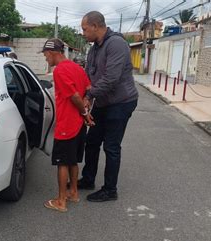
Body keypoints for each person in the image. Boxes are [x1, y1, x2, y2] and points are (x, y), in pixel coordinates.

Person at [78, 11, 138, 202]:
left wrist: (90, 94)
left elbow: (111, 78)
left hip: (121, 102)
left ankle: (110, 190)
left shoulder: (117, 44)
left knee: (111, 146)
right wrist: (85, 93)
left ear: (95, 26)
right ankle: (88, 179)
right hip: (103, 102)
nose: (83, 33)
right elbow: (89, 73)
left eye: (85, 29)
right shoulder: (94, 48)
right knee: (92, 141)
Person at [41, 38, 92, 212]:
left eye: (46, 54)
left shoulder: (60, 70)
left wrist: (85, 113)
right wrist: (85, 111)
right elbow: (87, 90)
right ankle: (74, 193)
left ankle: (61, 201)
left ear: (52, 52)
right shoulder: (77, 68)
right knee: (72, 161)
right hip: (78, 125)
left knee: (62, 162)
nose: (45, 58)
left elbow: (75, 97)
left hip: (67, 125)